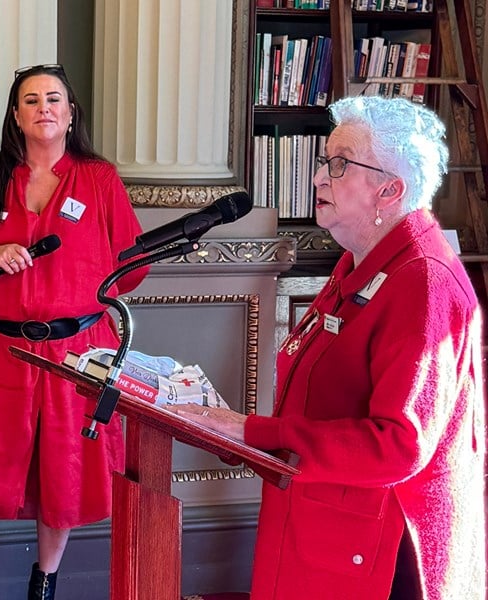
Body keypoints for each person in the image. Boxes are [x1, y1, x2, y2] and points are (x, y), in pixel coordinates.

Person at [171, 96, 485, 600]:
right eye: (323, 162)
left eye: (339, 165)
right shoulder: (361, 260)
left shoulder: (423, 280)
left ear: (390, 190)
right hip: (329, 526)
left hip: (382, 554)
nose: (319, 177)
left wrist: (255, 433)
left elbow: (398, 445)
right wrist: (249, 439)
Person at [0, 63, 147, 600]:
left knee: (64, 471)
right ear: (15, 115)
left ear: (71, 113)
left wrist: (82, 284)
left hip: (77, 351)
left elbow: (133, 262)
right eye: (31, 100)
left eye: (54, 98)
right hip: (1, 348)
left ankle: (43, 585)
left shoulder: (99, 179)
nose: (43, 108)